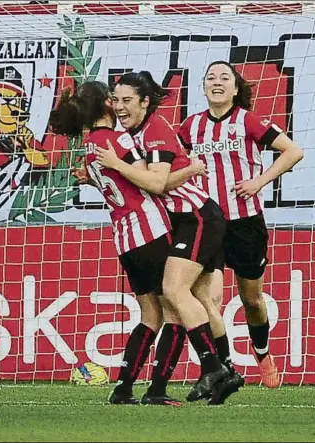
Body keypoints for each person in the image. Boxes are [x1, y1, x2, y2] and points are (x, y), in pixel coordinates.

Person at [50, 80, 225, 406]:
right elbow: (153, 182)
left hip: (125, 238)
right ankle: (202, 371)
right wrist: (188, 171)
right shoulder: (118, 140)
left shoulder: (90, 146)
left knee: (150, 316)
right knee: (175, 308)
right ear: (106, 106)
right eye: (114, 100)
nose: (118, 106)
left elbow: (118, 182)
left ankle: (123, 388)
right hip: (150, 230)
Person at [96, 71, 241, 404]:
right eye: (115, 100)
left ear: (145, 102)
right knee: (201, 299)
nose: (119, 107)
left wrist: (117, 164)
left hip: (197, 217)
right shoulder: (132, 133)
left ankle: (214, 368)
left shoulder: (156, 129)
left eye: (127, 100)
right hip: (179, 222)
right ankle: (226, 373)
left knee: (174, 291)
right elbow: (143, 181)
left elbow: (158, 183)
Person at [179, 61, 304, 388]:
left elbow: (293, 152)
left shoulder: (246, 121)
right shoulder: (190, 127)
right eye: (210, 78)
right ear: (204, 87)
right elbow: (169, 161)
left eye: (224, 78)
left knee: (252, 301)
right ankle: (222, 369)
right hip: (209, 224)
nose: (216, 83)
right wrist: (186, 168)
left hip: (246, 223)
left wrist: (259, 181)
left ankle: (262, 355)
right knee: (209, 298)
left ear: (235, 89)